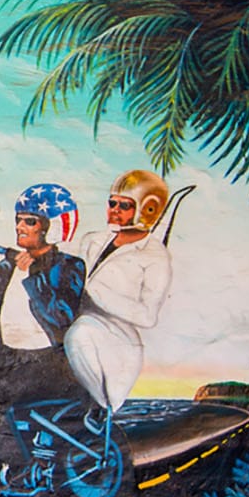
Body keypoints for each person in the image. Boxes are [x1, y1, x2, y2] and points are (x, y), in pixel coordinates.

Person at [64, 169, 173, 418]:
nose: (114, 210)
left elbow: (148, 316)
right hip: (72, 325)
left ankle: (103, 409)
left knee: (80, 334)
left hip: (113, 342)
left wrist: (96, 292)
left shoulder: (154, 257)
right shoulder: (92, 240)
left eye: (124, 205)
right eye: (112, 203)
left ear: (147, 209)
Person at [0, 182, 86, 392]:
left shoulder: (70, 266)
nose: (19, 227)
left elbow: (61, 317)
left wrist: (31, 273)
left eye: (30, 221)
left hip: (45, 359)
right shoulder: (9, 265)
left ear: (50, 229)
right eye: (18, 220)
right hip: (6, 355)